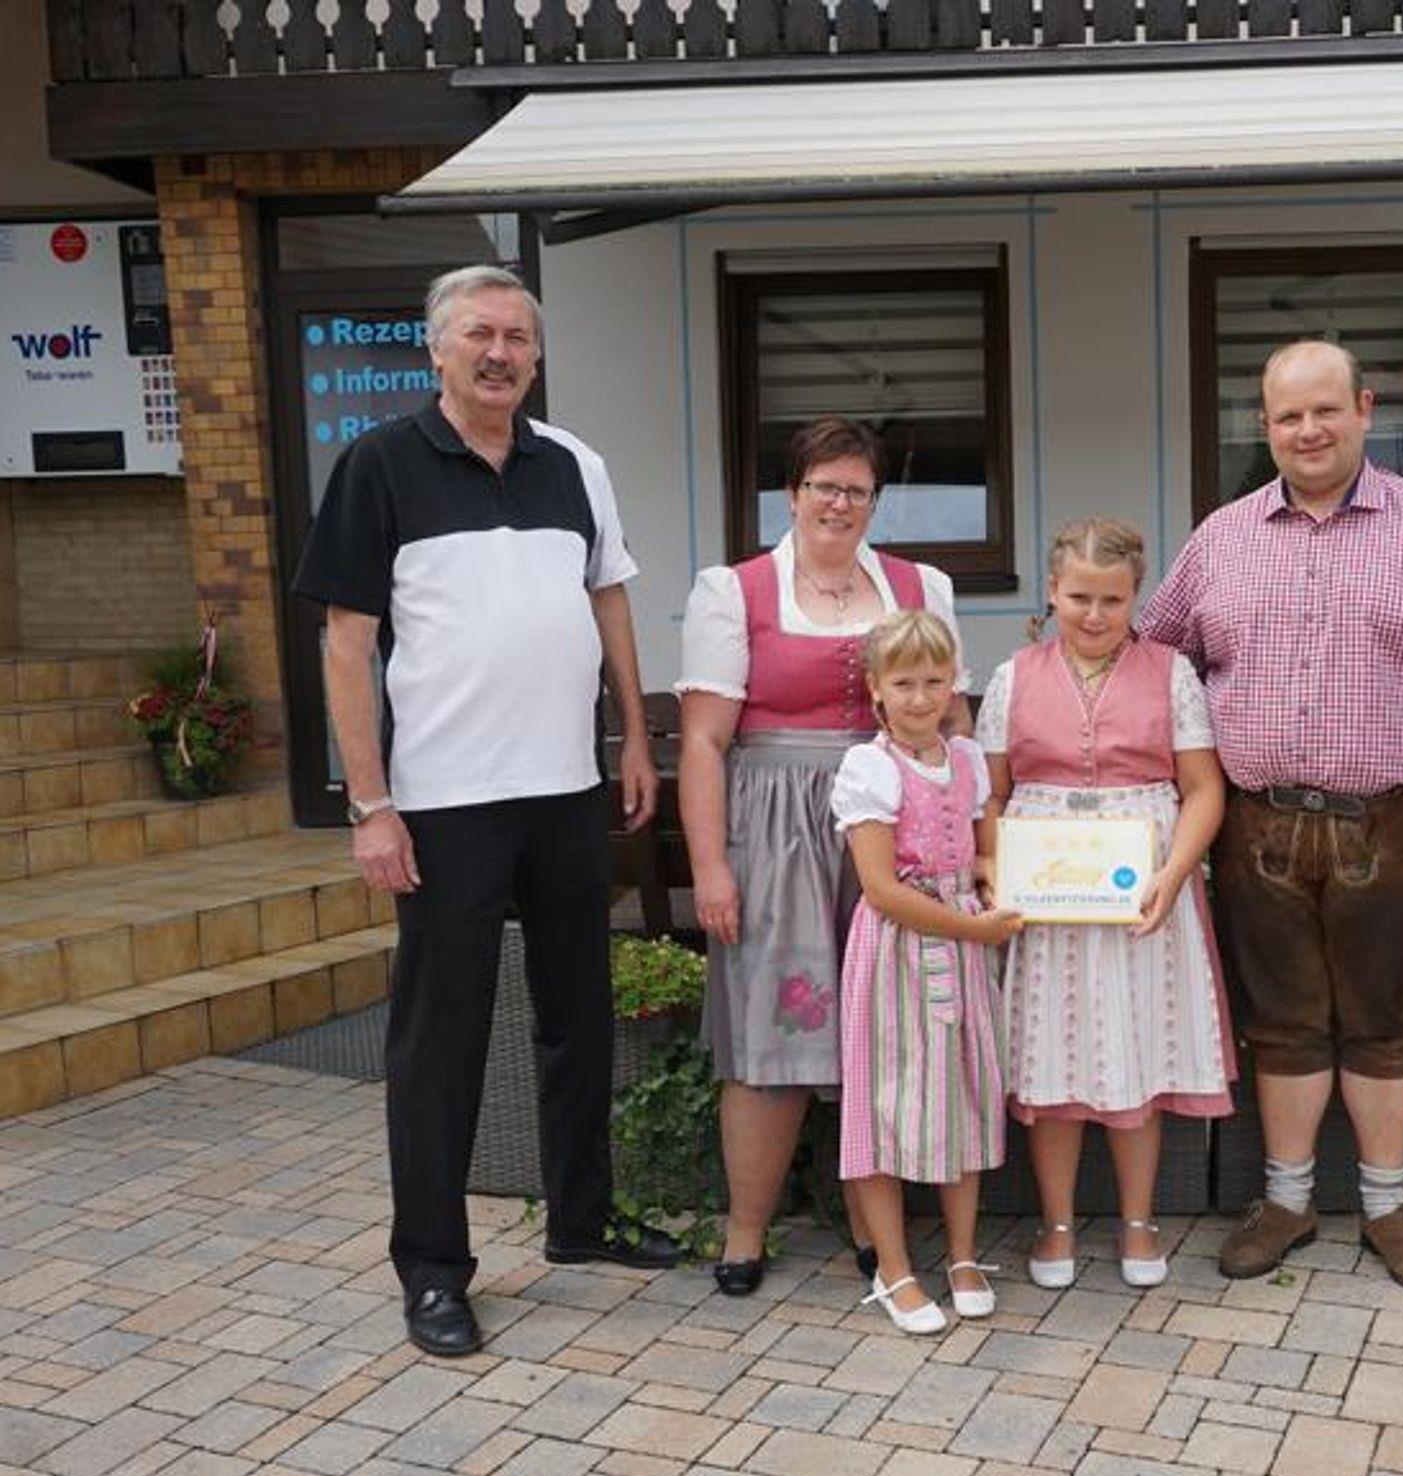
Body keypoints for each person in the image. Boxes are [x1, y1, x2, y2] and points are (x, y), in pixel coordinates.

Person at [293, 264, 678, 1359]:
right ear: (436, 349)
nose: (499, 352)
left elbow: (607, 595)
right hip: (445, 804)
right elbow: (347, 644)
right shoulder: (378, 465)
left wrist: (631, 735)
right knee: (440, 1040)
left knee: (578, 1015)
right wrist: (371, 804)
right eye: (478, 334)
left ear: (536, 355)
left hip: (563, 789)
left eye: (516, 336)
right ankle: (432, 1267)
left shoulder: (574, 465)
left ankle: (582, 1219)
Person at [1145, 338, 1403, 1293]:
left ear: (1365, 409)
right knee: (1281, 1018)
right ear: (1265, 426)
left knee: (1382, 1017)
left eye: (1326, 409)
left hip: (1393, 821)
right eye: (1288, 415)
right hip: (1257, 824)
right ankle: (1285, 1202)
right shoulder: (1220, 538)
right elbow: (1157, 669)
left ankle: (1387, 1207)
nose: (1308, 430)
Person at [676, 417, 971, 1296]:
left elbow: (953, 723)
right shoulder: (734, 591)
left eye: (857, 490)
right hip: (777, 830)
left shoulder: (922, 587)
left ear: (876, 500)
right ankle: (745, 1230)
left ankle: (873, 1228)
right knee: (772, 1031)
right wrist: (711, 867)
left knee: (886, 1023)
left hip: (894, 823)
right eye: (823, 487)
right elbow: (704, 742)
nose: (840, 504)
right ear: (792, 494)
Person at [976, 519, 1233, 1291]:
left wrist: (1174, 873)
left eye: (1112, 601)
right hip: (1048, 897)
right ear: (1053, 591)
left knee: (1135, 1051)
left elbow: (1203, 789)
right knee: (1052, 1058)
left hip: (1141, 890)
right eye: (1080, 598)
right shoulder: (1014, 677)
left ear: (1135, 598)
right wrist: (995, 867)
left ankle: (1138, 1219)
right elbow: (990, 794)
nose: (1094, 615)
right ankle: (1056, 1222)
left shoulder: (1171, 673)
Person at [830, 610, 1020, 1333]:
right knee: (886, 1102)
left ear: (953, 686)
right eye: (904, 683)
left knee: (962, 1093)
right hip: (898, 951)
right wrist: (975, 926)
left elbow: (981, 850)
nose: (920, 698)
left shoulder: (965, 760)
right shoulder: (870, 769)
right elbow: (882, 889)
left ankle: (964, 1256)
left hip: (963, 945)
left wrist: (995, 878)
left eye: (934, 682)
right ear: (876, 688)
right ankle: (894, 1267)